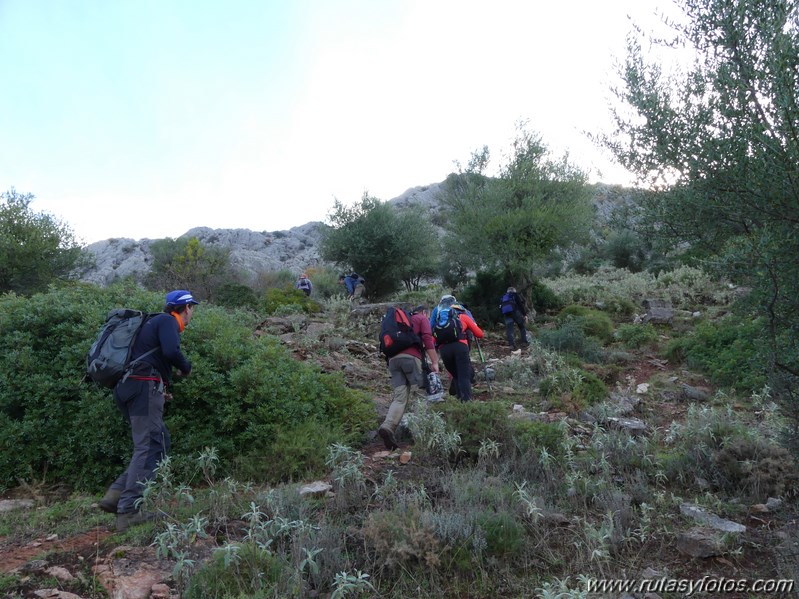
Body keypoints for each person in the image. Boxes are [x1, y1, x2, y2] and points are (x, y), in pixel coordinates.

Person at [98, 290, 198, 532]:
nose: (192, 313)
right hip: (142, 387)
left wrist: (160, 387)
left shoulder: (152, 323)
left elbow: (152, 360)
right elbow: (171, 352)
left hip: (133, 387)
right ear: (186, 308)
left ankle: (117, 494)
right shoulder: (166, 321)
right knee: (150, 443)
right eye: (192, 308)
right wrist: (186, 368)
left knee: (159, 440)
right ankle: (128, 511)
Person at [377, 304, 439, 450]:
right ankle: (420, 434)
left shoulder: (398, 322)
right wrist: (435, 361)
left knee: (399, 398)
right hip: (411, 359)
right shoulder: (420, 318)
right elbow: (427, 339)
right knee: (420, 394)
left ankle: (388, 426)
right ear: (424, 312)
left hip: (393, 361)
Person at [434, 303, 484, 402]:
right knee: (464, 376)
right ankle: (467, 401)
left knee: (456, 375)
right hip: (460, 347)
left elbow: (433, 339)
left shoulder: (441, 322)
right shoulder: (463, 317)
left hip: (444, 350)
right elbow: (479, 334)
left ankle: (459, 398)